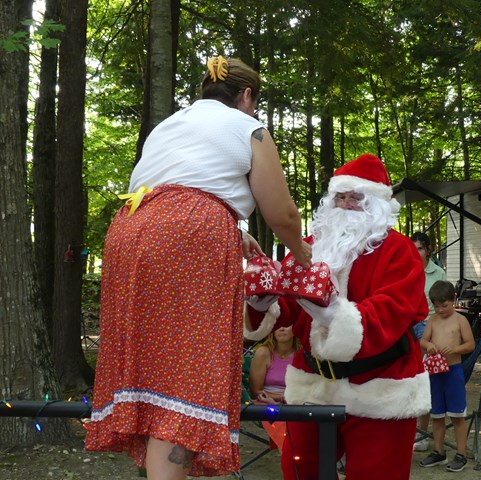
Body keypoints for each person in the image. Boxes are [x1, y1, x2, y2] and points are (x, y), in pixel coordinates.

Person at [85, 55, 312, 480]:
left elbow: (174, 186)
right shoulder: (249, 127)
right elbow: (282, 214)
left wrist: (232, 230)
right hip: (189, 235)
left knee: (155, 367)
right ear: (247, 96)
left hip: (130, 229)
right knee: (190, 368)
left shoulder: (169, 125)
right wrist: (302, 254)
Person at [244, 153, 431, 480]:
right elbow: (287, 306)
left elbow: (392, 311)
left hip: (379, 386)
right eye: (339, 197)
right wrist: (263, 304)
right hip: (313, 385)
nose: (345, 205)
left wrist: (334, 313)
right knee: (300, 471)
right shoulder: (309, 246)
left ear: (377, 204)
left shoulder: (399, 250)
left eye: (355, 198)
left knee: (376, 476)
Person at [419, 280, 475, 472]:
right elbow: (423, 341)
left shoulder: (460, 320)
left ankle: (461, 454)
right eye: (437, 306)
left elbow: (470, 344)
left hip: (453, 371)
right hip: (435, 372)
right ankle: (439, 451)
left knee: (457, 415)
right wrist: (429, 345)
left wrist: (455, 349)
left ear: (453, 299)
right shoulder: (432, 320)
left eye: (444, 305)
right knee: (437, 414)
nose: (441, 310)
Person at [410, 231, 447, 452]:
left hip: (428, 327)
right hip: (407, 325)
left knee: (423, 381)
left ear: (428, 250)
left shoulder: (438, 273)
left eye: (420, 248)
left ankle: (421, 434)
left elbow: (444, 308)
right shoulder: (405, 269)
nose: (416, 253)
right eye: (413, 248)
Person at [249, 325, 300, 404]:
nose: (281, 328)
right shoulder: (263, 353)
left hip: (295, 404)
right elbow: (255, 392)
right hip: (264, 403)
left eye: (286, 324)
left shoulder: (302, 354)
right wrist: (282, 398)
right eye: (278, 324)